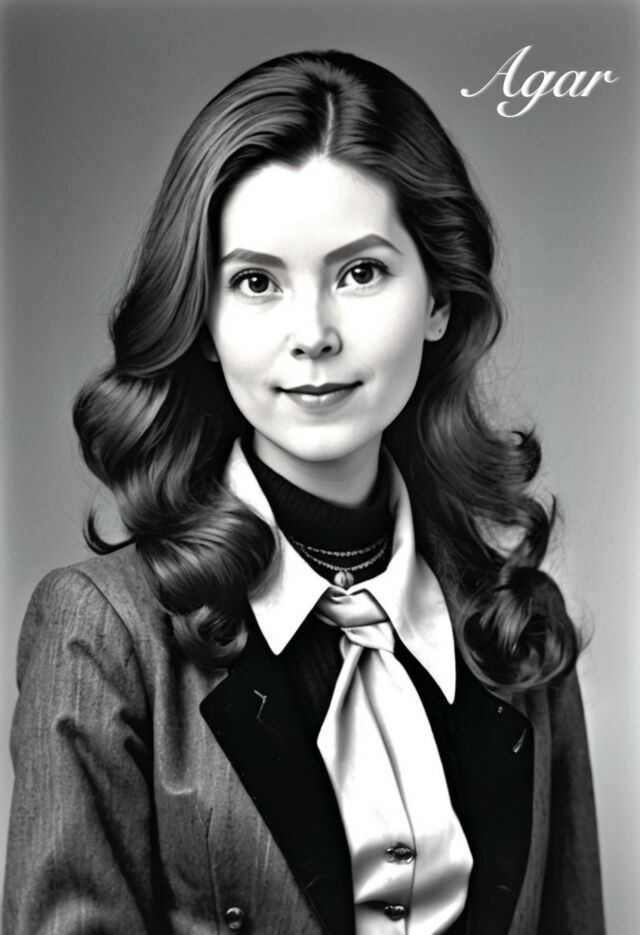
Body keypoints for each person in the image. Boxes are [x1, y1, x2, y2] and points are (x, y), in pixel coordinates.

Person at [3, 50, 605, 935]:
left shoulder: (519, 620)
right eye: (257, 282)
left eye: (360, 272)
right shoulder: (103, 632)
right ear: (203, 321)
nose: (314, 333)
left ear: (439, 299)